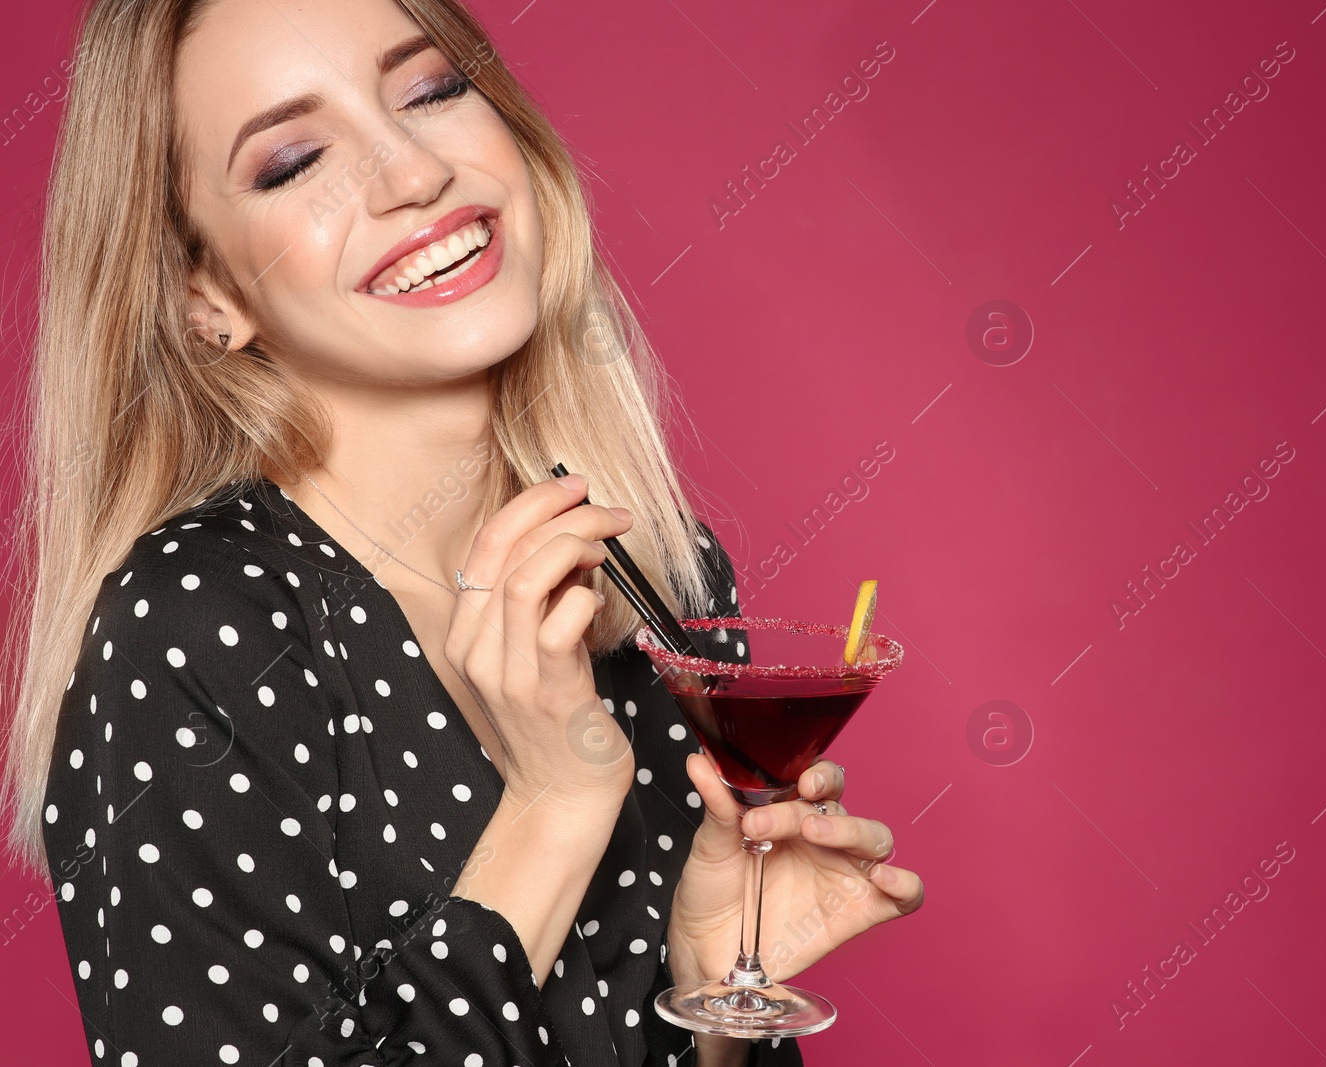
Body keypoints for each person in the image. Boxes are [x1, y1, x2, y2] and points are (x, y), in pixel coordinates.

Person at [0, 1, 924, 1064]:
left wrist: (714, 998)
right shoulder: (197, 628)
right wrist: (551, 801)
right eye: (295, 160)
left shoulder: (655, 569)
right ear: (203, 294)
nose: (409, 174)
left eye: (432, 90)